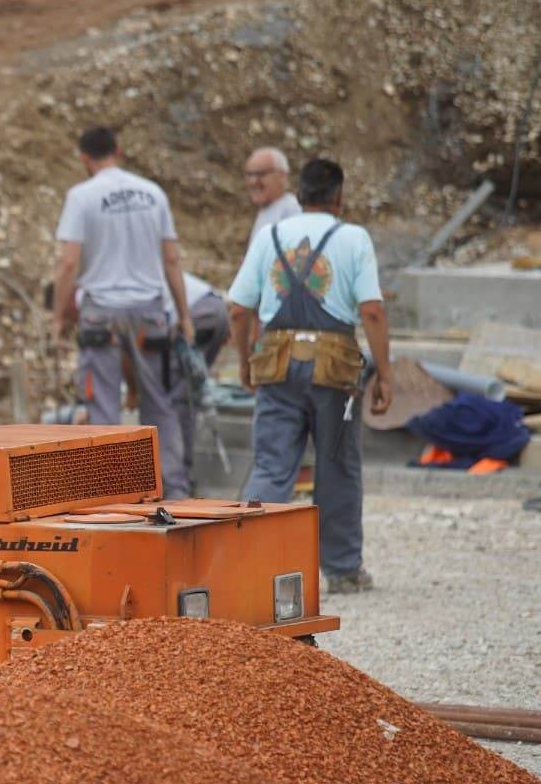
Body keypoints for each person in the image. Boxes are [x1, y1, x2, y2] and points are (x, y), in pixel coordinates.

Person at [229, 158, 392, 594]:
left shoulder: (270, 235)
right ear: (340, 197)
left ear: (299, 196)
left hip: (277, 366)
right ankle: (342, 571)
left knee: (271, 465)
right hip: (335, 375)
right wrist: (386, 375)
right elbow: (372, 310)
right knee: (337, 466)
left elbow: (238, 308)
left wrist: (245, 360)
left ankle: (248, 564)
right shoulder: (354, 237)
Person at [52, 126, 195, 498]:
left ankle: (113, 496)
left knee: (103, 407)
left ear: (84, 158)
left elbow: (68, 263)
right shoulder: (153, 194)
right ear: (119, 149)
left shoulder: (81, 197)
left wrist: (58, 318)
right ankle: (174, 492)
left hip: (101, 313)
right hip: (150, 311)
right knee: (159, 404)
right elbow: (172, 258)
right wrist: (184, 315)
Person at [166, 271, 231, 493]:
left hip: (196, 316)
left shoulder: (102, 292)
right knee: (187, 394)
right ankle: (182, 475)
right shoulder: (141, 269)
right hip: (218, 310)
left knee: (177, 400)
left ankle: (177, 483)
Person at [245, 147, 302, 240]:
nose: (253, 181)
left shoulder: (292, 210)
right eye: (249, 174)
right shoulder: (267, 209)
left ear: (282, 176)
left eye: (260, 174)